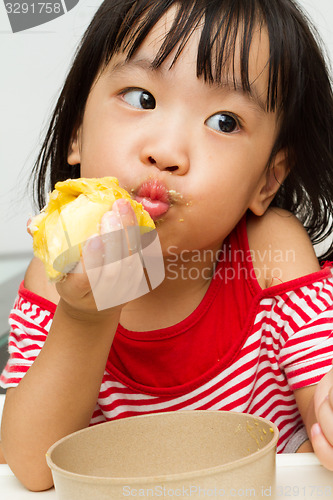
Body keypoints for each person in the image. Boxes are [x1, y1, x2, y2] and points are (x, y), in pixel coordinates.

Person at [1, 0, 333, 491]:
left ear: (266, 182)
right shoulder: (57, 274)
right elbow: (28, 468)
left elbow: (321, 393)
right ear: (76, 133)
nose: (166, 151)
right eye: (140, 98)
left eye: (224, 122)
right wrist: (85, 319)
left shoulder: (269, 257)